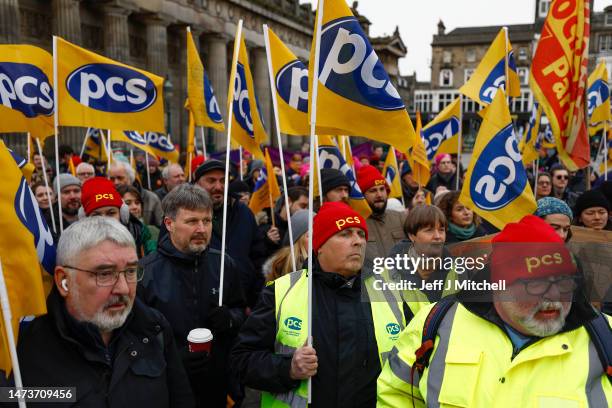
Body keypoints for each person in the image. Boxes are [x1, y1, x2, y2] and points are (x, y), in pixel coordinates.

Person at [377, 215, 611, 407]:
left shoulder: (605, 336)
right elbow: (395, 395)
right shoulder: (435, 323)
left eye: (563, 282)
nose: (554, 296)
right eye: (537, 284)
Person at [231, 202, 407, 407]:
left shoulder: (390, 292)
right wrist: (288, 369)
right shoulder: (281, 292)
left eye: (361, 234)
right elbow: (241, 360)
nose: (358, 241)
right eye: (345, 234)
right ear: (319, 245)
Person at [17, 217, 194, 407]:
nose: (124, 289)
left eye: (131, 271)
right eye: (104, 274)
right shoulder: (25, 351)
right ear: (63, 281)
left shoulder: (154, 328)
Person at [139, 184, 246, 407]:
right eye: (191, 221)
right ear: (169, 223)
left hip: (218, 386)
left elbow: (241, 312)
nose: (201, 229)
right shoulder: (145, 273)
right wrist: (173, 358)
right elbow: (136, 337)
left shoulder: (224, 264)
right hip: (168, 388)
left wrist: (229, 319)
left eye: (206, 221)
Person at [194, 159, 267, 308]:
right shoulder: (183, 213)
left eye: (223, 181)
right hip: (201, 305)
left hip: (243, 304)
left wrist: (255, 299)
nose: (218, 186)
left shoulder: (243, 212)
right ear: (197, 183)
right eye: (211, 181)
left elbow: (259, 257)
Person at [387, 205, 456, 319]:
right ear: (411, 235)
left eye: (441, 230)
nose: (438, 236)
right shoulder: (390, 274)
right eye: (429, 231)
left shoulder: (459, 269)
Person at [81, 177, 157, 257]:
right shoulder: (76, 245)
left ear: (122, 214)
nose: (104, 220)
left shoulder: (144, 235)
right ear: (86, 218)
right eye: (96, 215)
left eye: (111, 213)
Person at [357, 165, 407, 272]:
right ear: (362, 195)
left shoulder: (401, 218)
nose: (379, 194)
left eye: (382, 189)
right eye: (373, 191)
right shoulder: (357, 224)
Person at [109, 160, 163, 227]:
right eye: (112, 179)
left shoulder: (151, 198)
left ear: (130, 178)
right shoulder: (106, 199)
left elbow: (160, 227)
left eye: (120, 178)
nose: (116, 182)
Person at [262, 209, 310, 282]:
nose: (316, 239)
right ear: (298, 239)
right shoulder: (281, 266)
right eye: (310, 235)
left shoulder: (321, 265)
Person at [259, 186, 309, 255]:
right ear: (288, 201)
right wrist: (269, 242)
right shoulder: (265, 228)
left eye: (307, 207)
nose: (306, 211)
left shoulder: (305, 228)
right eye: (302, 206)